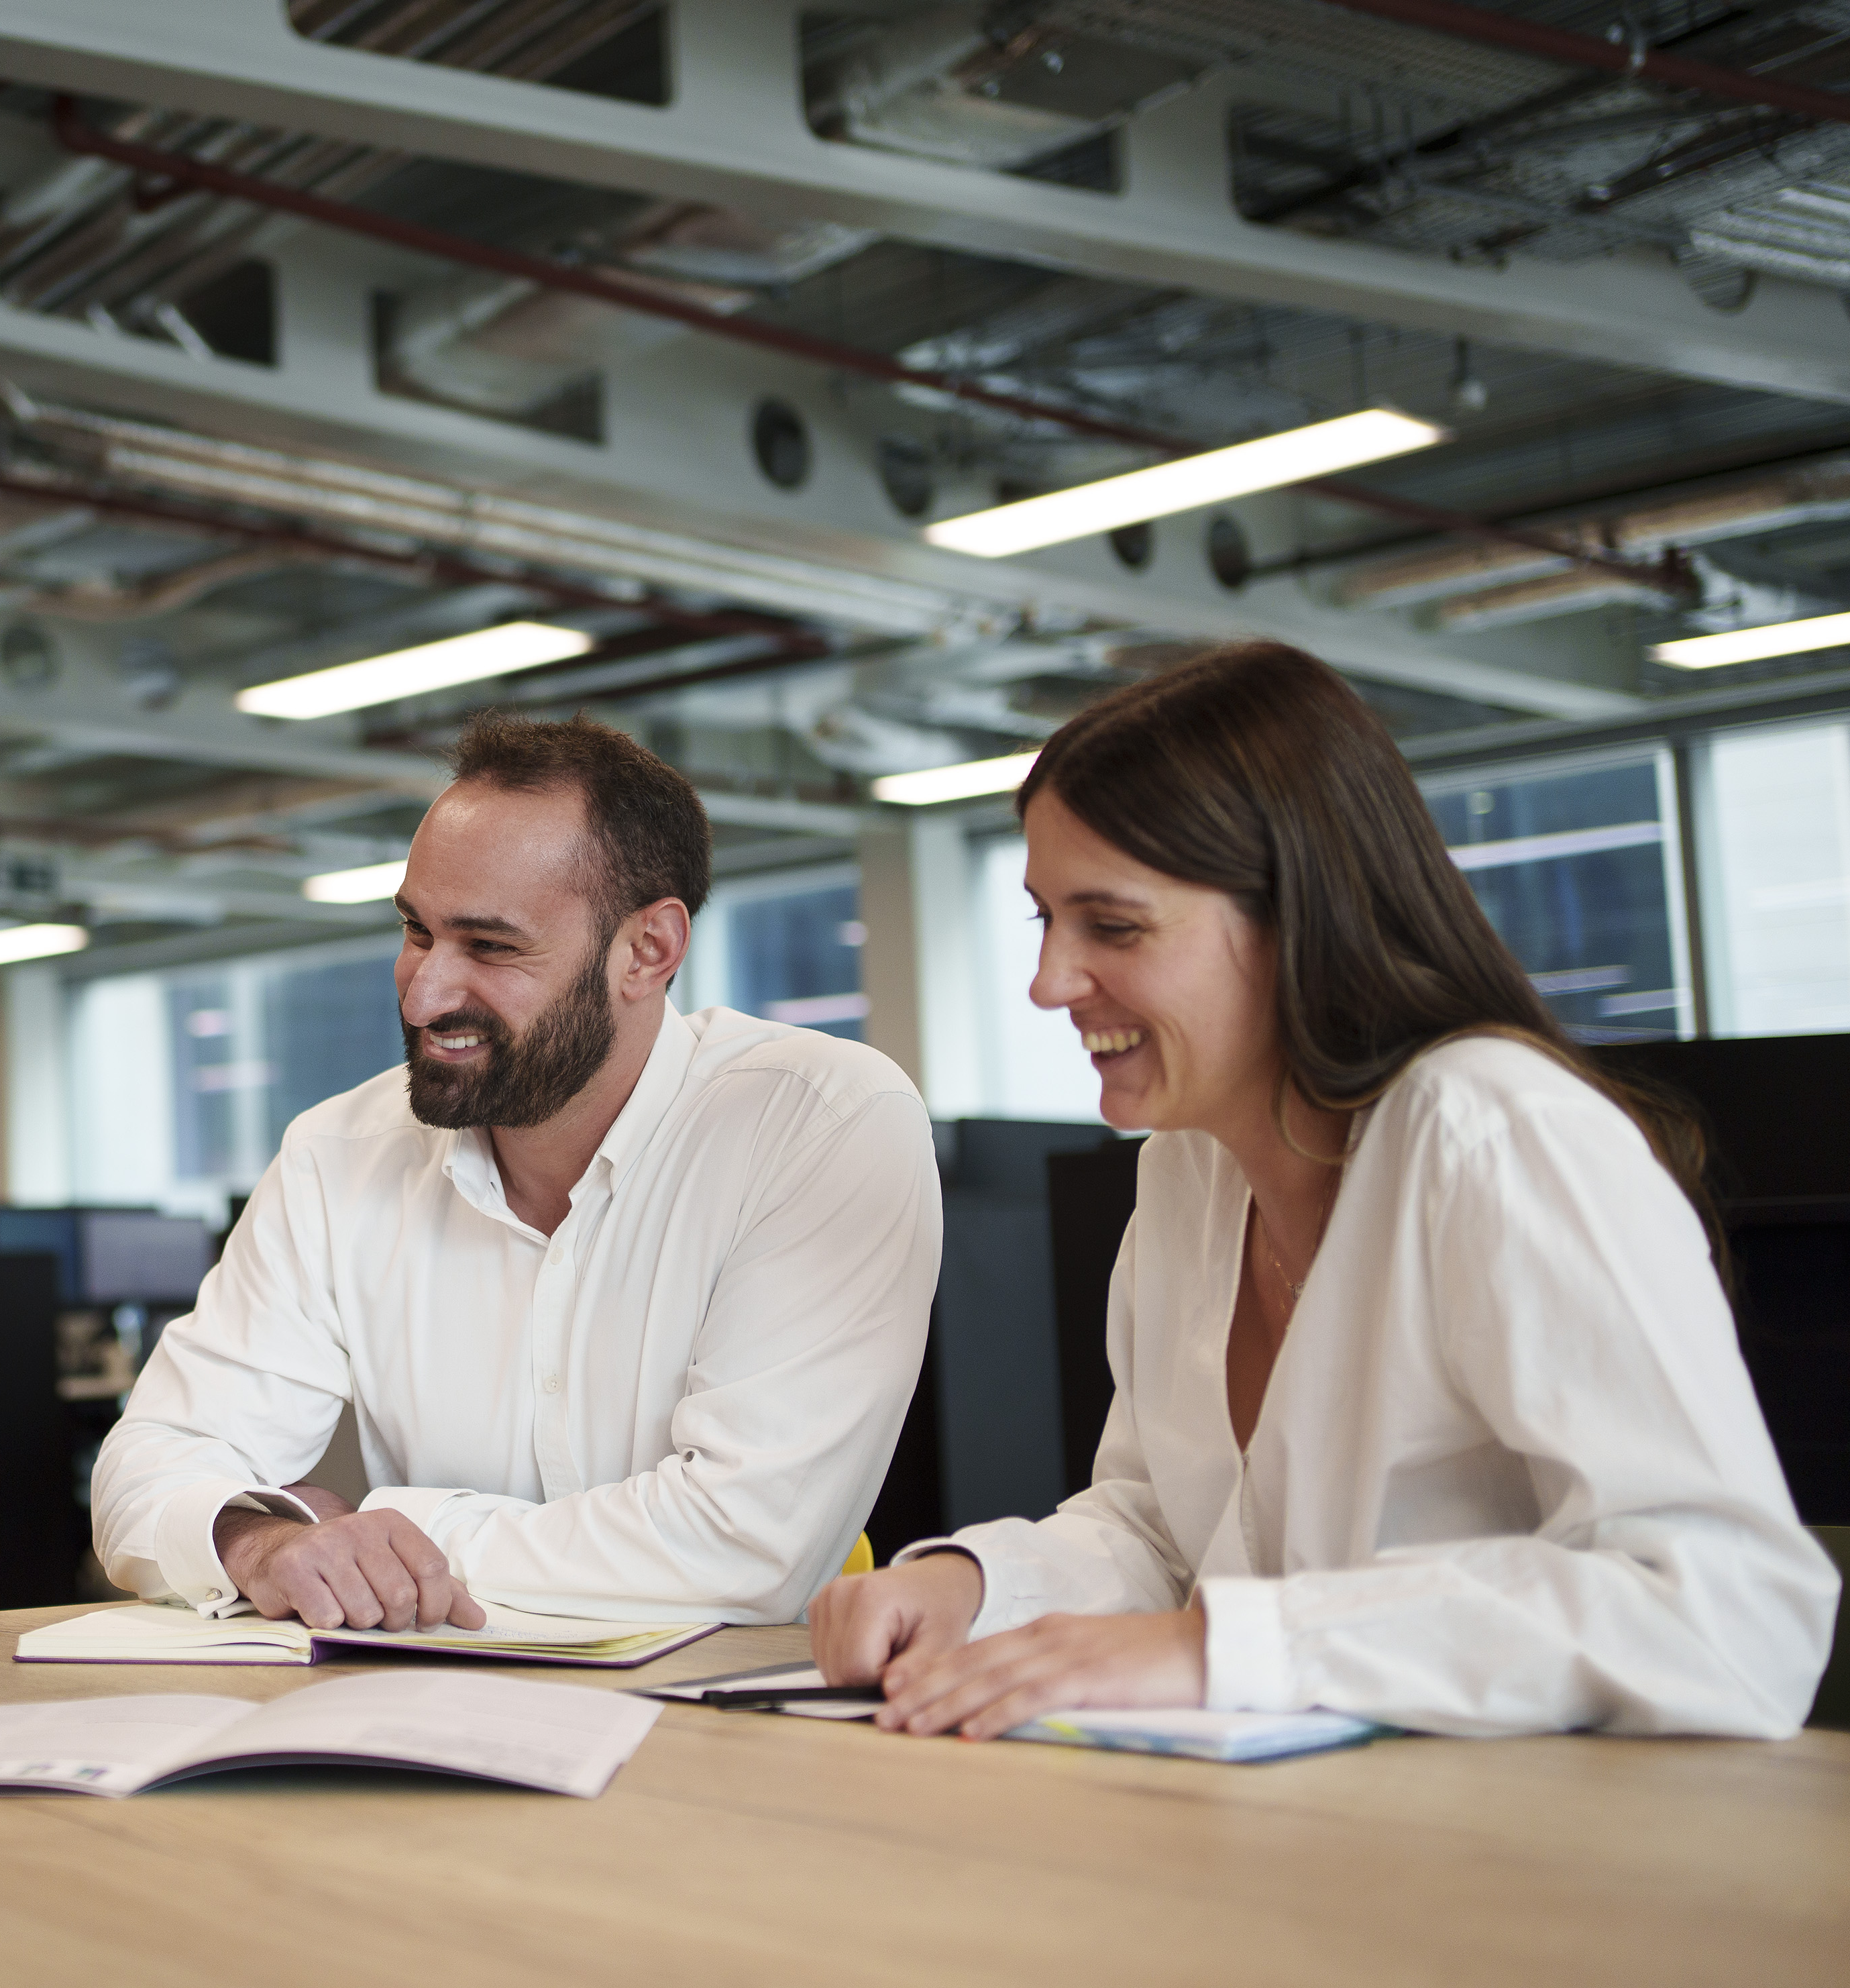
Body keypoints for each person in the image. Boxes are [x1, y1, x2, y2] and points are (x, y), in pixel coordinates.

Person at [810, 642, 1837, 1739]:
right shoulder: (1187, 1169)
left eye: (1113, 926)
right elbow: (1166, 1530)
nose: (1050, 980)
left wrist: (1229, 1647)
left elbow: (1730, 1613)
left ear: (1299, 918)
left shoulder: (1491, 1134)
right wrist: (977, 1584)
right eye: (1044, 920)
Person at [92, 713, 940, 1632]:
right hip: (446, 1716)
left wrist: (392, 1532)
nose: (423, 993)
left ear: (648, 951)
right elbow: (149, 1469)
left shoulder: (817, 1122)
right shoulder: (336, 1156)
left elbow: (747, 1548)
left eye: (490, 947)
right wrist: (263, 1544)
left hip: (733, 1720)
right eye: (417, 932)